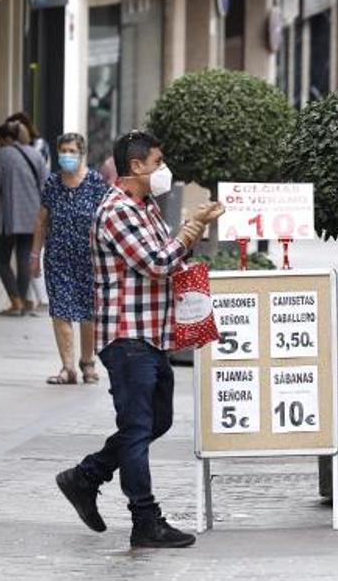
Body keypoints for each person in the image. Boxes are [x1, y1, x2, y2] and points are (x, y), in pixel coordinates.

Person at [56, 130, 224, 549]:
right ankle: (145, 520)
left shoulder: (144, 207)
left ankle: (86, 476)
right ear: (136, 167)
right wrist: (194, 225)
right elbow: (158, 261)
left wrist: (191, 231)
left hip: (150, 335)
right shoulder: (117, 210)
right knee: (136, 428)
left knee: (156, 421)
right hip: (127, 337)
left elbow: (169, 252)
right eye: (157, 162)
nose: (162, 169)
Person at [32, 133, 111, 386]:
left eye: (71, 151)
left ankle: (87, 363)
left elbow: (108, 220)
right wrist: (35, 254)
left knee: (88, 313)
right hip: (58, 258)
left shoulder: (96, 183)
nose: (66, 155)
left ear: (82, 153)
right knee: (61, 311)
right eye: (63, 151)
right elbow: (42, 221)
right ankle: (67, 368)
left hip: (90, 259)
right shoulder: (52, 183)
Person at [0, 122, 49, 316]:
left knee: (1, 259)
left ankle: (15, 300)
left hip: (10, 215)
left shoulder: (4, 154)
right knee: (24, 259)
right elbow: (45, 184)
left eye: (0, 141)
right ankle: (22, 301)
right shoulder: (35, 154)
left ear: (7, 139)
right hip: (32, 215)